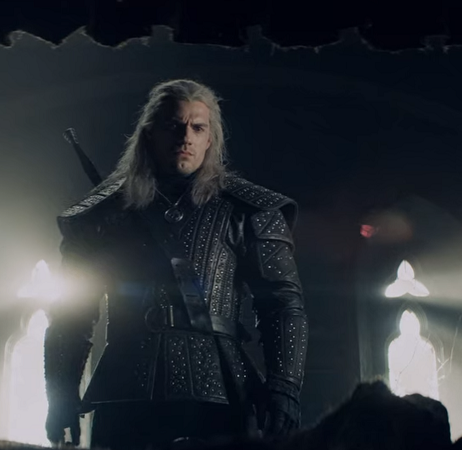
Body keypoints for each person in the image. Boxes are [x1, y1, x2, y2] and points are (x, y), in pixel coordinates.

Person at [44, 79, 308, 450]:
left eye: (197, 128)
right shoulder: (103, 214)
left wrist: (284, 386)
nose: (186, 137)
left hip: (221, 391)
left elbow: (282, 304)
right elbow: (71, 313)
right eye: (173, 125)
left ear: (210, 139)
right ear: (149, 133)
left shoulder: (249, 210)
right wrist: (60, 394)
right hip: (126, 389)